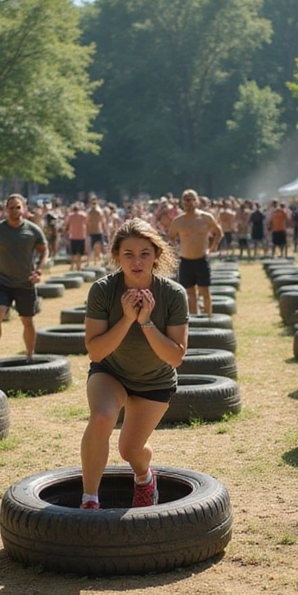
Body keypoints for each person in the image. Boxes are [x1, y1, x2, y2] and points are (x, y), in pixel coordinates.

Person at [79, 217, 189, 510]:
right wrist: (127, 318)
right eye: (128, 254)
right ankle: (90, 499)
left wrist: (146, 323)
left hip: (155, 380)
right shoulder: (102, 290)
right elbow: (96, 352)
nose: (137, 261)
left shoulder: (174, 294)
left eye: (144, 254)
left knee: (129, 450)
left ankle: (144, 476)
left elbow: (175, 356)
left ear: (157, 255)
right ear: (117, 256)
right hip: (111, 372)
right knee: (102, 417)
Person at [0, 193, 48, 366]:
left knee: (27, 321)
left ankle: (30, 356)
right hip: (3, 282)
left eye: (18, 207)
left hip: (26, 283)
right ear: (5, 209)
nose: (14, 210)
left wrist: (39, 270)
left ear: (23, 208)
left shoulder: (32, 229)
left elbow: (44, 250)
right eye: (11, 207)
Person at [168, 189, 223, 318]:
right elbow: (171, 237)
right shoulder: (178, 221)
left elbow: (218, 233)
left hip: (201, 259)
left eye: (191, 199)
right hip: (186, 260)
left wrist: (212, 248)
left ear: (196, 201)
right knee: (190, 293)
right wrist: (175, 250)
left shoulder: (205, 218)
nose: (188, 203)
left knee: (205, 291)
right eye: (185, 200)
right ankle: (196, 319)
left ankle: (210, 318)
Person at [63, 202, 88, 271]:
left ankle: (72, 266)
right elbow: (87, 223)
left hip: (73, 236)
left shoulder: (70, 216)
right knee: (80, 253)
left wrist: (65, 233)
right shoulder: (83, 215)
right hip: (81, 236)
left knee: (73, 253)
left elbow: (66, 225)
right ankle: (79, 266)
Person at [86, 197, 107, 264]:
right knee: (94, 247)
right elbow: (103, 221)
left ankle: (92, 261)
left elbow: (87, 222)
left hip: (96, 231)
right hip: (96, 231)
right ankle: (90, 261)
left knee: (95, 247)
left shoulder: (91, 212)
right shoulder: (98, 212)